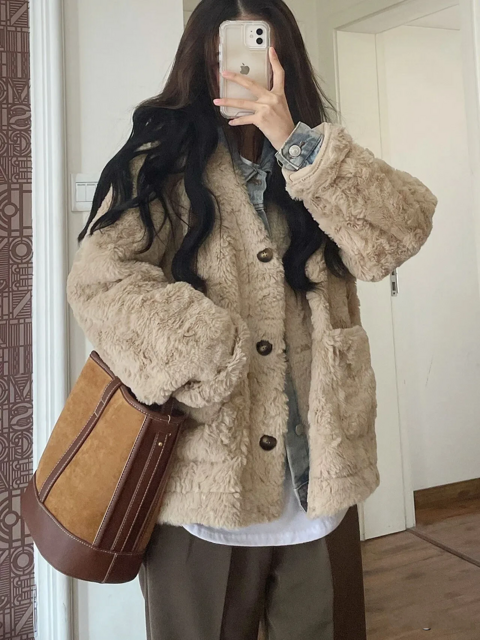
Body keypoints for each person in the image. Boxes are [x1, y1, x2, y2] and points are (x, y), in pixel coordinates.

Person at [66, 1, 437, 638]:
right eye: (222, 58)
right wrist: (209, 345)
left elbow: (401, 231)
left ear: (283, 62)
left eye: (258, 53)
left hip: (319, 480)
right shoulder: (157, 163)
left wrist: (297, 144)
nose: (238, 72)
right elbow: (100, 283)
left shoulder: (317, 157)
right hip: (204, 483)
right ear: (198, 65)